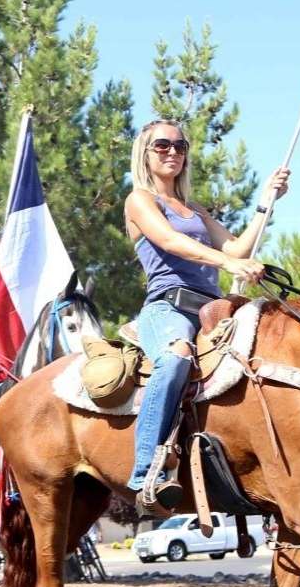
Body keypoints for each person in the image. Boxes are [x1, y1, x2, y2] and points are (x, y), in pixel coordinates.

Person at [123, 119, 290, 515]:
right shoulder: (141, 200)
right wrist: (232, 264)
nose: (173, 152)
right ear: (145, 153)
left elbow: (236, 247)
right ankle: (145, 470)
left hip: (212, 310)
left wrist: (267, 200)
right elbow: (170, 242)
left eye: (180, 146)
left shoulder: (193, 209)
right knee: (176, 356)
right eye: (162, 145)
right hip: (169, 306)